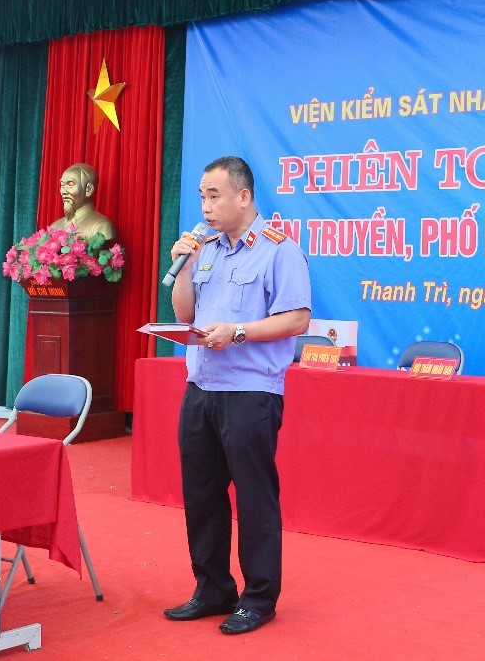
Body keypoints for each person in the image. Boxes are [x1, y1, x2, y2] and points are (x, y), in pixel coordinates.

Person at [163, 155, 311, 636]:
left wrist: (240, 331)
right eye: (202, 197)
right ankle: (212, 589)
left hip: (250, 392)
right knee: (202, 494)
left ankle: (259, 598)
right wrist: (183, 267)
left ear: (243, 197)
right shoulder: (204, 249)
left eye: (214, 196)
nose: (205, 207)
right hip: (200, 388)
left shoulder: (279, 250)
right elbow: (185, 315)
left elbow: (297, 318)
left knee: (254, 497)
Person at [49, 162, 116, 243]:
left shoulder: (101, 226)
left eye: (70, 184)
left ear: (88, 189)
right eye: (62, 185)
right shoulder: (55, 226)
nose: (63, 191)